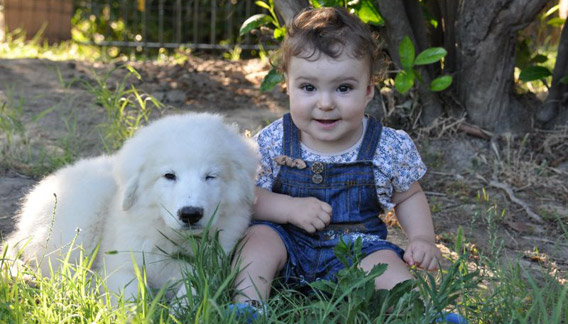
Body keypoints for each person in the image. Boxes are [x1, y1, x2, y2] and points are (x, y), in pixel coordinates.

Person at [229, 7, 466, 324]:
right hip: (288, 248)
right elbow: (248, 197)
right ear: (287, 85)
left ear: (368, 90)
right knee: (257, 241)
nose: (325, 103)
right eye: (309, 88)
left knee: (388, 265)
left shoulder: (385, 146)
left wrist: (422, 238)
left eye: (343, 88)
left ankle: (421, 315)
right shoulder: (274, 141)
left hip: (359, 251)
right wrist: (288, 208)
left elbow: (408, 195)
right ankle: (248, 307)